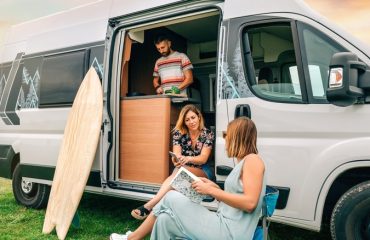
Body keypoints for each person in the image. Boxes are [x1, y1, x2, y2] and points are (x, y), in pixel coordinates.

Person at [110, 117, 266, 240]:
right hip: (223, 223)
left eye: (227, 136)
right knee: (164, 220)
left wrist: (211, 191)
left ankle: (132, 238)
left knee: (170, 197)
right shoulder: (245, 162)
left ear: (237, 137)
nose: (225, 141)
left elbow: (250, 203)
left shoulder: (253, 160)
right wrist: (214, 188)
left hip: (229, 231)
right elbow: (237, 199)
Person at [130, 104, 214, 221]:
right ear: (184, 122)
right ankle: (154, 209)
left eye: (193, 117)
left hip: (203, 170)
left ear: (199, 117)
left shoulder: (208, 133)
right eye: (187, 120)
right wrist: (176, 161)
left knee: (177, 174)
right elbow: (176, 156)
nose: (191, 122)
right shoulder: (179, 133)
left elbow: (203, 158)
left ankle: (150, 205)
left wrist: (187, 159)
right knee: (177, 175)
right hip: (183, 168)